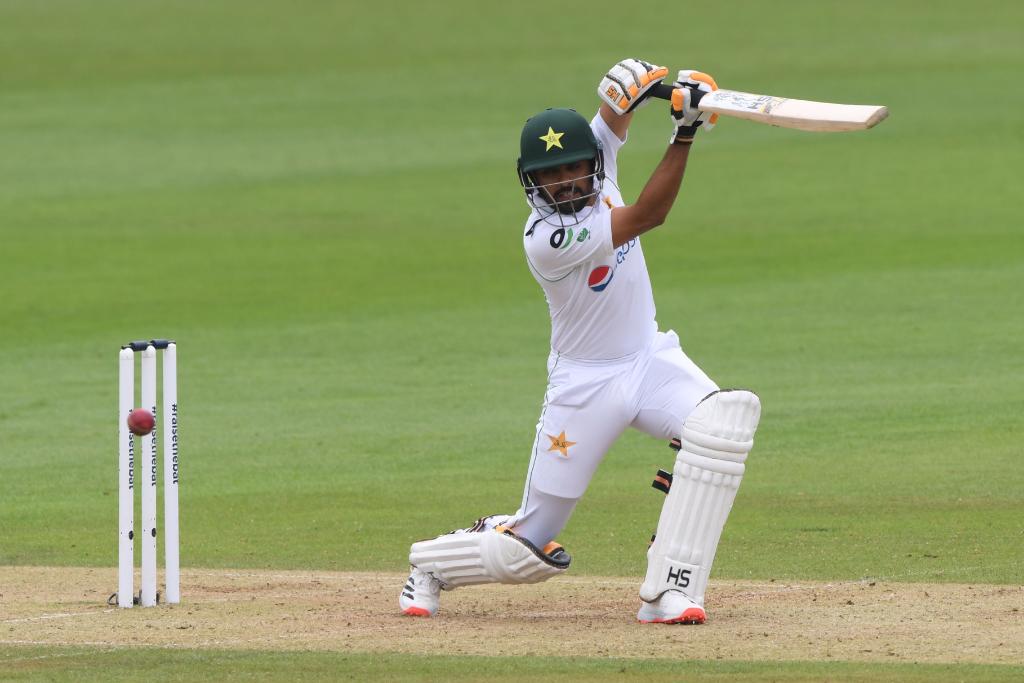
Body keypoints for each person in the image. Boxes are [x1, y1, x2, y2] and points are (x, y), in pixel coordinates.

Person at [400, 59, 761, 624]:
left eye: (574, 169)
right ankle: (429, 566)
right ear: (531, 180)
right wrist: (685, 129)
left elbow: (613, 113)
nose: (566, 182)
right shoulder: (548, 237)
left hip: (648, 360)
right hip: (585, 386)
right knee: (529, 547)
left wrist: (649, 85)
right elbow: (650, 214)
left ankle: (671, 586)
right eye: (550, 175)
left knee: (722, 425)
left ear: (591, 164)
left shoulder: (597, 162)